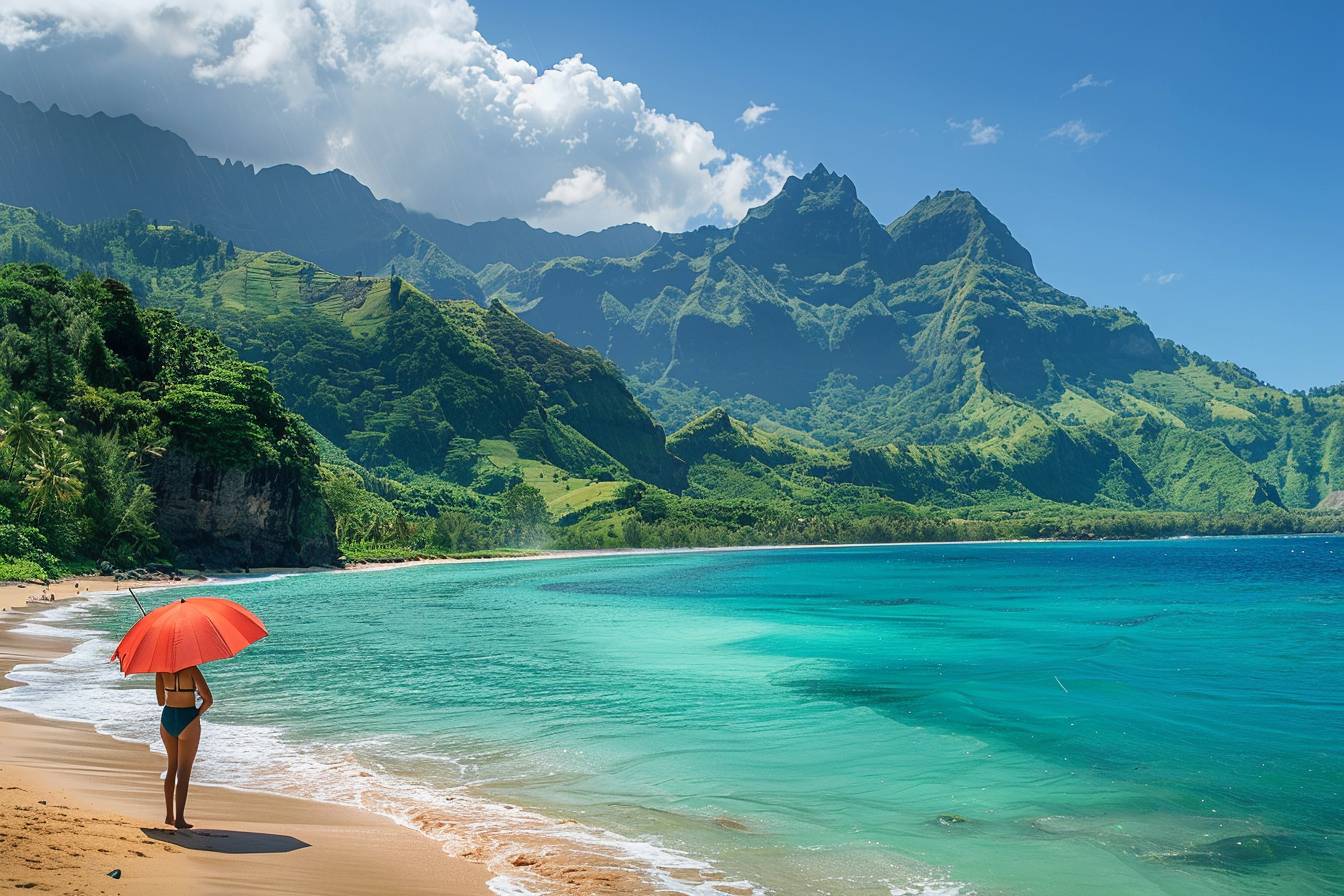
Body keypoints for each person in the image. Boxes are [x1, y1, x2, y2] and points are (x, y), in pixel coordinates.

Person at [154, 666, 213, 828]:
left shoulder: (161, 670)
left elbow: (160, 701)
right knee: (184, 770)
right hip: (188, 717)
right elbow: (209, 699)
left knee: (171, 766)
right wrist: (197, 714)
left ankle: (169, 816)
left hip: (167, 718)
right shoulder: (192, 669)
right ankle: (179, 819)